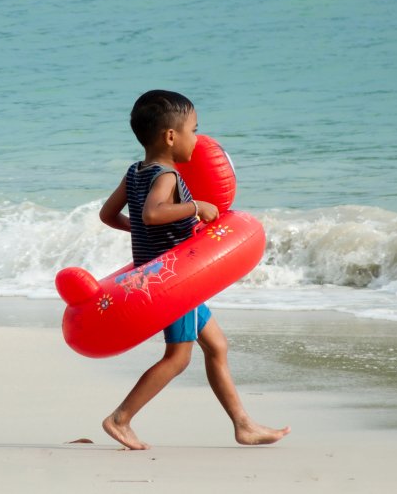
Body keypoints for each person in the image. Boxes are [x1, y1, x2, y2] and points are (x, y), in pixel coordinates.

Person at [98, 90, 291, 450]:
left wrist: (139, 232)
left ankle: (243, 425)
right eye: (193, 130)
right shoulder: (167, 175)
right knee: (178, 357)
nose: (198, 139)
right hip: (174, 283)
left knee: (217, 346)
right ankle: (120, 419)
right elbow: (153, 214)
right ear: (171, 136)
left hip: (159, 275)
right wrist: (194, 206)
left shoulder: (134, 173)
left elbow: (108, 215)